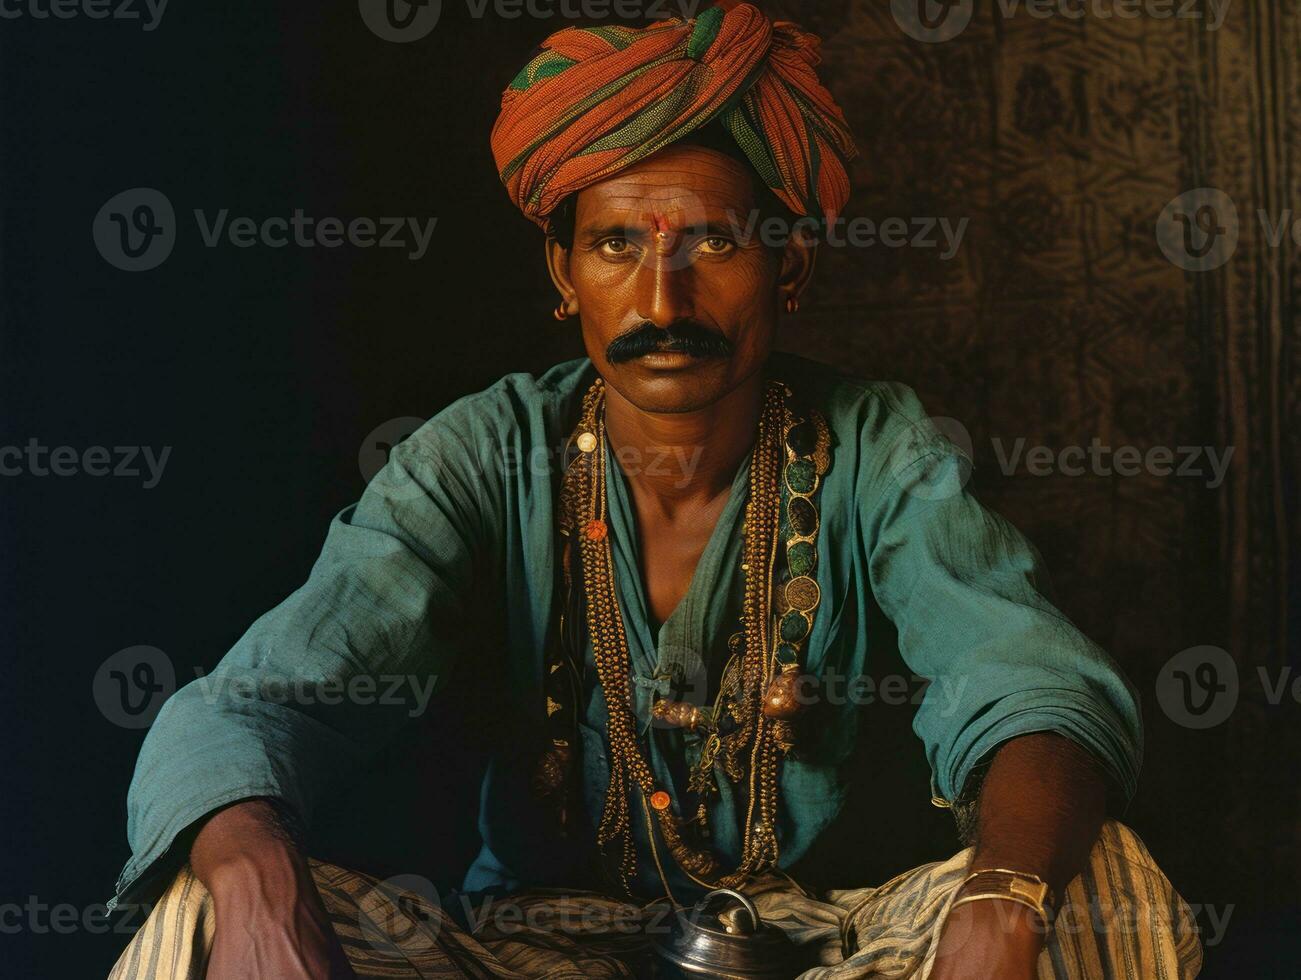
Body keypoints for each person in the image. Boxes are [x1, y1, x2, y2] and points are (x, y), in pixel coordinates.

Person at [106, 3, 1202, 977]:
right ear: (561, 273)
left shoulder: (875, 443)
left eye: (712, 241)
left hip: (824, 942)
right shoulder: (481, 453)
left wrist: (1002, 902)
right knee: (207, 902)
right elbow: (247, 708)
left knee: (1092, 882)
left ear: (789, 266)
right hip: (523, 948)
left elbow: (1031, 684)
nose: (660, 293)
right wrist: (259, 889)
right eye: (617, 243)